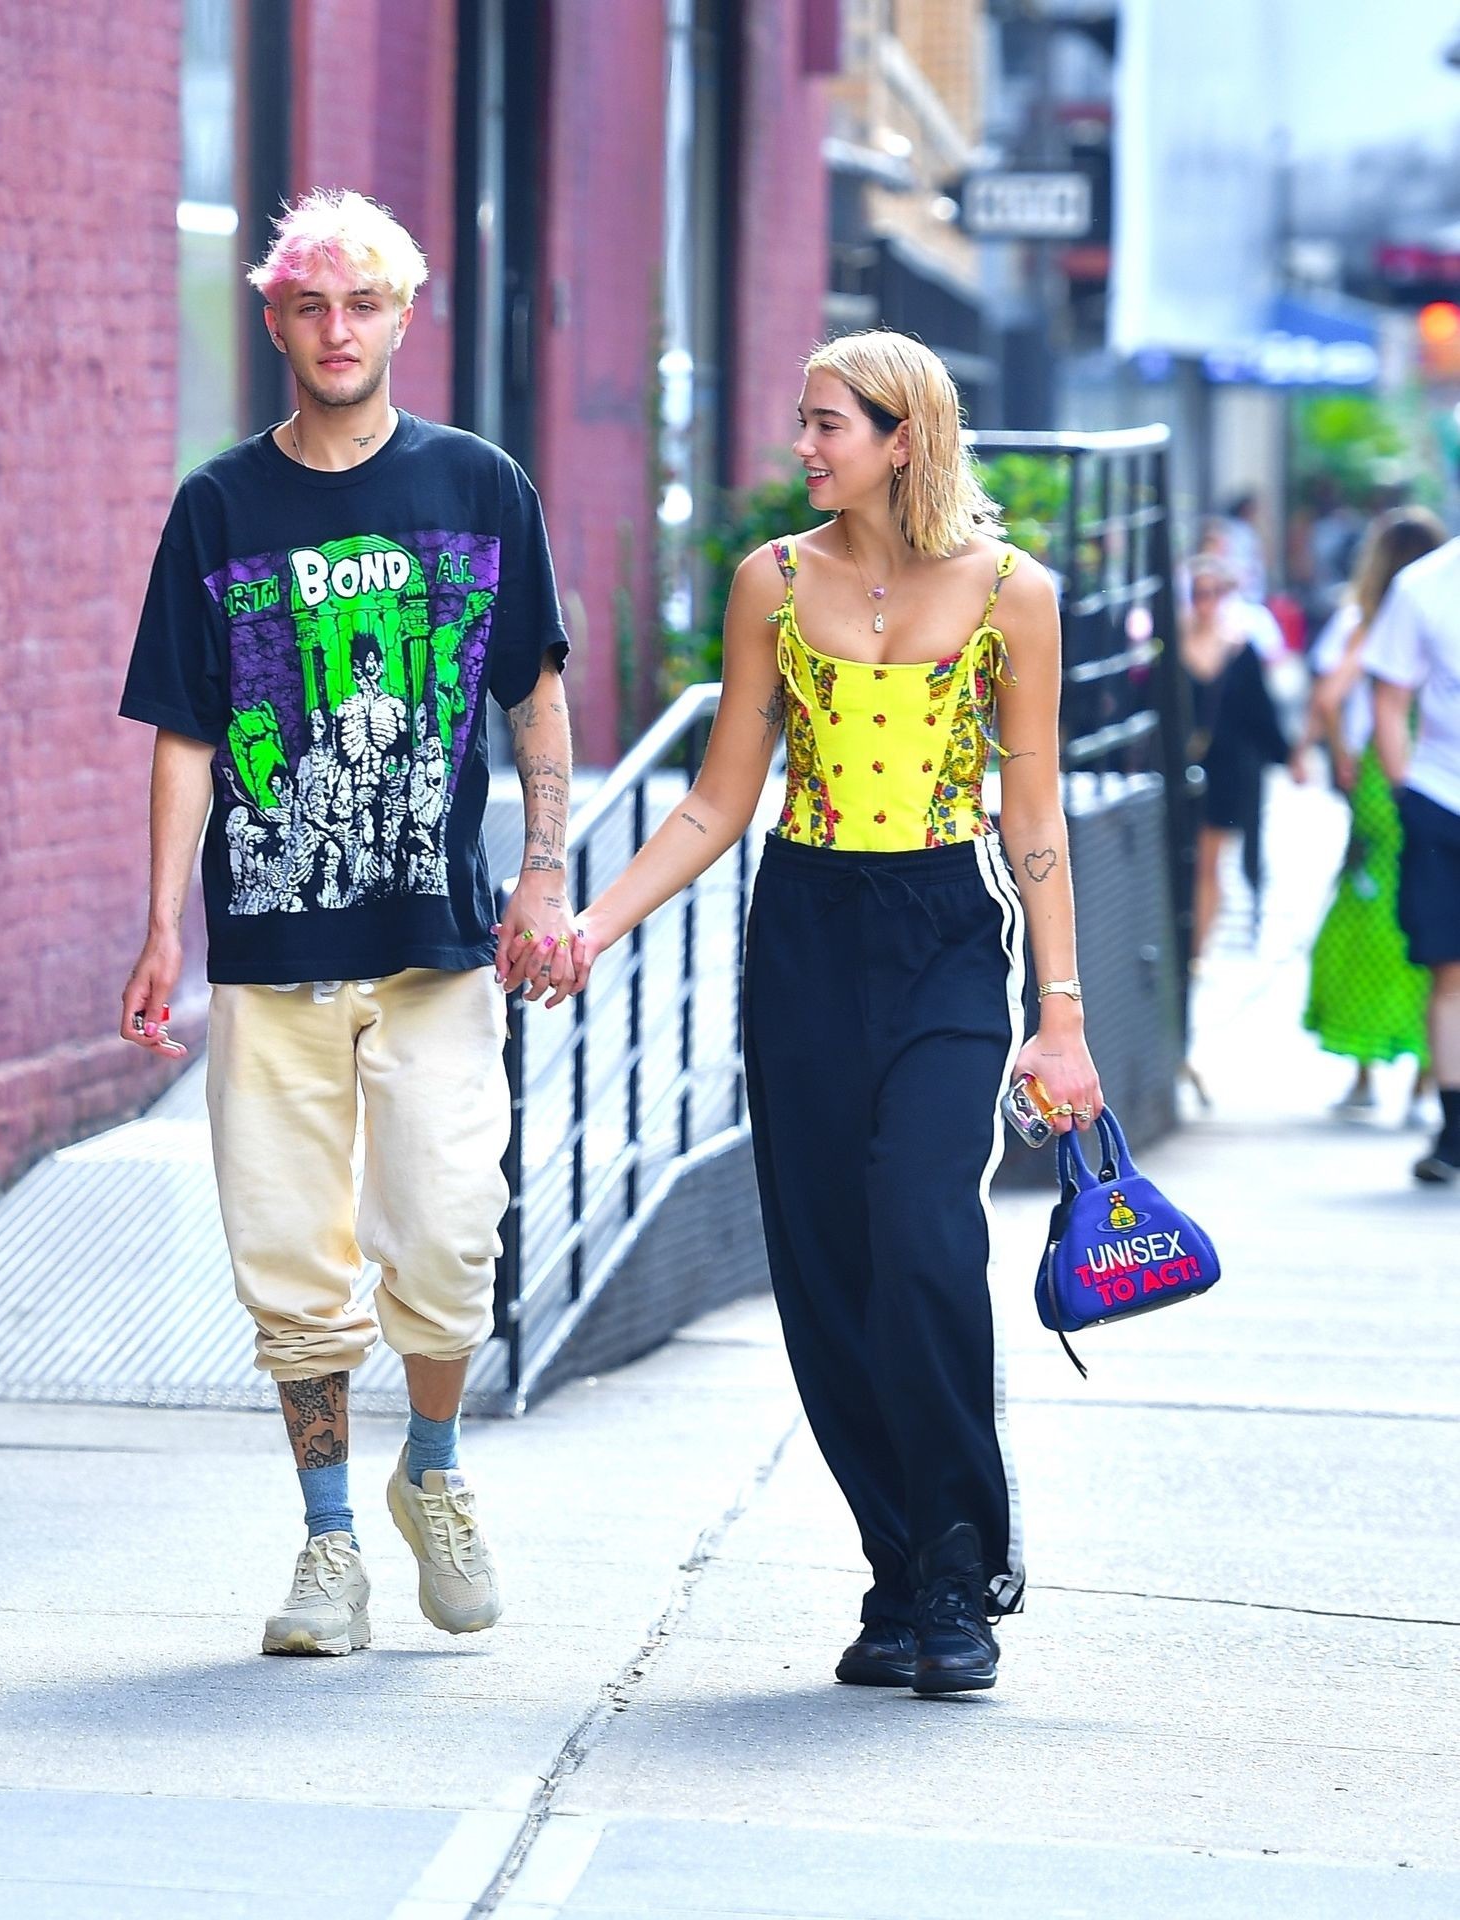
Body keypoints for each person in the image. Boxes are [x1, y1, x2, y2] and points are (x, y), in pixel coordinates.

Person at [545, 329, 1102, 1697]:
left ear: (902, 438)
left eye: (825, 425)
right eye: (802, 421)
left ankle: (960, 1569)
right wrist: (593, 924)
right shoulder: (772, 583)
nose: (800, 447)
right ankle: (895, 1570)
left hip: (945, 931)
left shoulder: (1013, 592)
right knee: (825, 1264)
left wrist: (1062, 1015)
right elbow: (714, 801)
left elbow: (1031, 810)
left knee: (921, 1237)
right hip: (802, 930)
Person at [117, 189, 577, 1654]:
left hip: (435, 944)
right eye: (310, 306)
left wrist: (544, 873)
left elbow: (534, 697)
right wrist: (161, 929)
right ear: (274, 322)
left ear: (402, 318)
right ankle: (328, 1545)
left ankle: (430, 1471)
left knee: (447, 1236)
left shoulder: (479, 487)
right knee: (289, 1263)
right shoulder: (218, 505)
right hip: (269, 948)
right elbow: (185, 732)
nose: (337, 329)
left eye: (362, 304)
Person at [1299, 509, 1443, 1114]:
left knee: (1366, 916)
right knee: (1433, 922)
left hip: (1381, 784)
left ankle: (1364, 1069)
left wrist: (1341, 757)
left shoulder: (1364, 622)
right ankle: (1428, 1077)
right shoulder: (1435, 608)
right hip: (1430, 779)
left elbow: (1329, 694)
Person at [1364, 527, 1460, 1185]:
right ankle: (1454, 1129)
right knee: (1449, 969)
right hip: (1439, 796)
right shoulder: (1424, 584)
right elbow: (1390, 695)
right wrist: (1403, 791)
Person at [1180, 555, 1291, 958]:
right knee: (1185, 861)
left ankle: (1196, 953)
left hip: (1228, 769)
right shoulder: (1171, 648)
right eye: (1198, 593)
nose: (1205, 602)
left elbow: (1260, 711)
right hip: (1180, 768)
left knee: (1209, 861)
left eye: (1213, 593)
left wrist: (1287, 755)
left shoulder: (1241, 648)